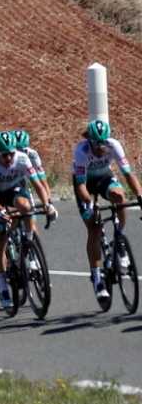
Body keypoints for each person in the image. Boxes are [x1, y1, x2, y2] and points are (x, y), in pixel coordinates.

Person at [0, 131, 54, 309]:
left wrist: (47, 204)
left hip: (15, 191)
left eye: (11, 154)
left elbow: (37, 184)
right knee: (0, 240)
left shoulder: (22, 158)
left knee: (26, 207)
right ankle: (2, 282)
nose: (8, 158)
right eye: (4, 155)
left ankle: (29, 243)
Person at [72, 119, 142, 302]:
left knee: (120, 197)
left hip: (104, 177)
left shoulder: (114, 145)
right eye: (97, 143)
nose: (101, 147)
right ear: (91, 142)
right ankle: (96, 278)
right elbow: (80, 186)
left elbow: (128, 174)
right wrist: (90, 202)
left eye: (104, 142)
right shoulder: (82, 151)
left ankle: (119, 240)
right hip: (85, 184)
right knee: (94, 229)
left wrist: (140, 196)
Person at [13, 129, 51, 205]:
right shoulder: (6, 156)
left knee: (37, 181)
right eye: (16, 150)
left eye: (22, 150)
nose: (20, 153)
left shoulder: (32, 154)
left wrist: (49, 201)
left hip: (26, 173)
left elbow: (43, 179)